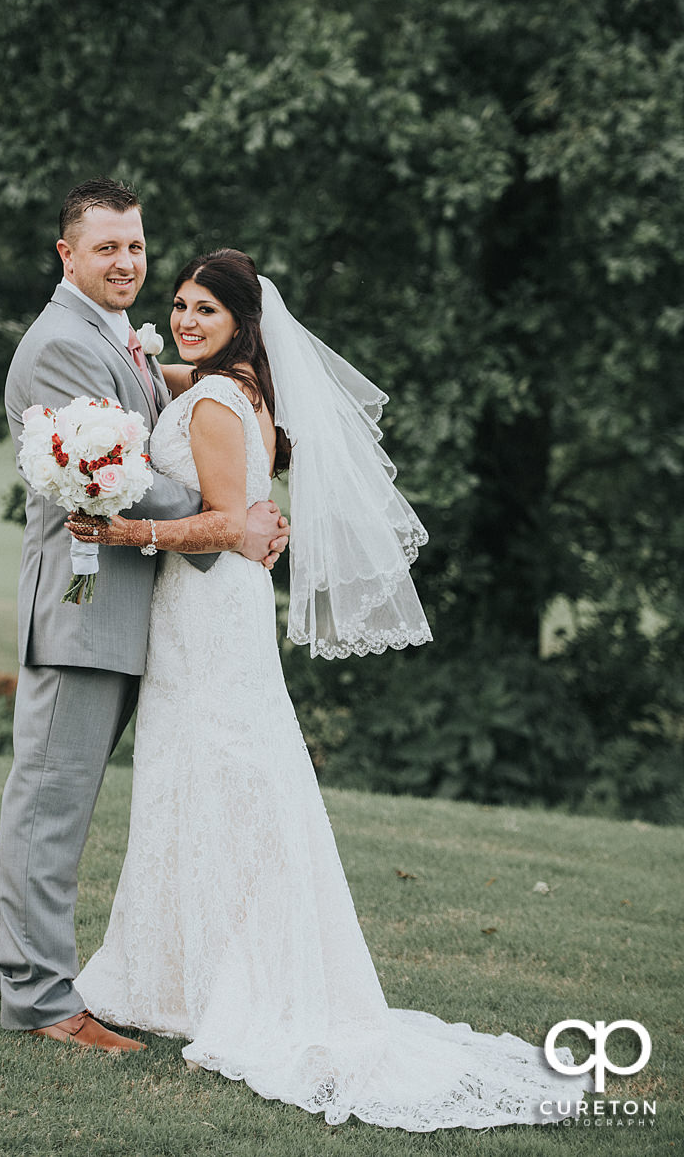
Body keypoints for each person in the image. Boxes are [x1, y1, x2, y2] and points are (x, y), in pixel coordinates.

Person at [68, 248, 585, 1129]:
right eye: (181, 304)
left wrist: (121, 531)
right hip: (202, 611)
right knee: (193, 780)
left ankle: (225, 987)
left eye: (206, 310)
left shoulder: (223, 402)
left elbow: (231, 523)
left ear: (242, 322)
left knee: (224, 778)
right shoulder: (238, 388)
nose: (187, 318)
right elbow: (240, 490)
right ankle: (169, 976)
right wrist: (161, 360)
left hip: (209, 612)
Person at [0, 185, 289, 1053]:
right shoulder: (59, 345)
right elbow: (121, 472)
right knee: (50, 804)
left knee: (60, 803)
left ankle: (24, 965)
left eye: (136, 247)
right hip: (81, 609)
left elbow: (188, 411)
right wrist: (230, 521)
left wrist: (248, 502)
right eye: (107, 248)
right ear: (66, 255)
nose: (127, 263)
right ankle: (43, 1001)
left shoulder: (116, 337)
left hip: (128, 611)